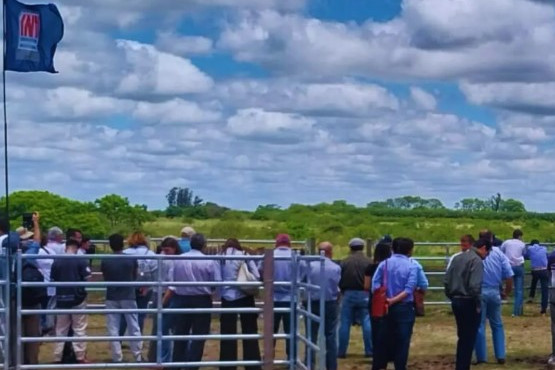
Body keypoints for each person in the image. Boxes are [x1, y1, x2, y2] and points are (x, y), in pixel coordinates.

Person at [163, 233, 221, 370]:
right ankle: (192, 365)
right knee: (199, 336)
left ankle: (176, 364)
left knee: (180, 333)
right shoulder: (209, 261)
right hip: (202, 300)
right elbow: (217, 282)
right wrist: (215, 295)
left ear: (190, 244)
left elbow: (173, 281)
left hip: (182, 298)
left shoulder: (178, 260)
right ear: (204, 245)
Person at [371, 237, 418, 370]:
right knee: (403, 340)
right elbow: (409, 289)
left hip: (384, 307)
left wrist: (386, 299)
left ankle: (379, 365)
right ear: (409, 250)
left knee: (382, 339)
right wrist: (394, 300)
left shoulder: (384, 264)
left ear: (393, 248)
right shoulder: (412, 266)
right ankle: (400, 366)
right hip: (404, 307)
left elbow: (375, 285)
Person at [445, 238, 489, 370]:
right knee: (469, 338)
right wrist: (478, 303)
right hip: (468, 301)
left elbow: (446, 280)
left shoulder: (457, 258)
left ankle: (461, 365)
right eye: (487, 253)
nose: (486, 256)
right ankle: (463, 366)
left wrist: (451, 296)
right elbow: (475, 286)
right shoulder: (476, 261)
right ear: (484, 248)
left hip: (456, 300)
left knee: (462, 336)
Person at [219, 238, 261, 370]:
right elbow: (256, 275)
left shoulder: (220, 257)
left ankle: (227, 365)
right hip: (245, 296)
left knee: (227, 333)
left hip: (227, 298)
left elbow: (217, 278)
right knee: (250, 331)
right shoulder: (244, 255)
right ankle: (252, 365)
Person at [101, 233, 143, 363]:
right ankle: (138, 355)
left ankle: (117, 356)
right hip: (128, 295)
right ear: (123, 244)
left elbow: (105, 276)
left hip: (112, 295)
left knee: (113, 326)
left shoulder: (105, 260)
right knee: (133, 325)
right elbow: (134, 276)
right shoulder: (131, 259)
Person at [474, 231, 513, 365]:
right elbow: (509, 275)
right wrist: (506, 292)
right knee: (497, 323)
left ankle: (481, 357)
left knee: (479, 325)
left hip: (479, 291)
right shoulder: (499, 253)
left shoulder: (475, 254)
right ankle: (500, 355)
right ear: (492, 239)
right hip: (495, 291)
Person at [51, 239, 92, 364]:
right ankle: (80, 356)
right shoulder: (80, 260)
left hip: (61, 298)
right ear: (76, 248)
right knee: (79, 327)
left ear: (66, 247)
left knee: (61, 329)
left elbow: (53, 279)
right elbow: (87, 278)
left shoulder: (57, 261)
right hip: (77, 298)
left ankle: (58, 356)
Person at [304, 241, 340, 370]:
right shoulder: (336, 267)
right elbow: (337, 286)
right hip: (330, 302)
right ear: (330, 252)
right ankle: (331, 366)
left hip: (313, 302)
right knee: (330, 336)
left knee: (311, 335)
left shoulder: (310, 266)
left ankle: (309, 364)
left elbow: (304, 282)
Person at [147, 236, 180, 364]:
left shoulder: (167, 260)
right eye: (164, 250)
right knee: (161, 328)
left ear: (174, 249)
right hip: (162, 293)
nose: (165, 253)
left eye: (168, 250)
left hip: (166, 293)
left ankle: (160, 358)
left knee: (163, 328)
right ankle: (160, 358)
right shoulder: (167, 259)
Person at [338, 237, 372, 358]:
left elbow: (339, 278)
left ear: (350, 247)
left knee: (344, 323)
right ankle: (369, 350)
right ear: (362, 247)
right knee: (367, 322)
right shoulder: (369, 261)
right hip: (365, 293)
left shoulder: (345, 261)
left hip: (348, 293)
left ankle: (341, 351)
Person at [120, 232, 157, 336]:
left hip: (127, 287)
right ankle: (137, 338)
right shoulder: (150, 254)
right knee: (140, 313)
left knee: (124, 314)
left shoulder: (125, 253)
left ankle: (118, 338)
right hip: (145, 286)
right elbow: (155, 273)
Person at [271, 233, 298, 359]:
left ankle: (269, 358)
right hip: (291, 298)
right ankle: (291, 358)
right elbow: (302, 275)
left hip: (273, 298)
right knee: (291, 331)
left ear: (277, 243)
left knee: (271, 331)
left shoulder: (270, 255)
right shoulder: (295, 256)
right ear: (289, 243)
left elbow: (261, 271)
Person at [364, 240, 393, 354]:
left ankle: (377, 352)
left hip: (375, 300)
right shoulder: (391, 266)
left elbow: (366, 286)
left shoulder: (370, 267)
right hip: (390, 299)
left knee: (375, 327)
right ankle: (390, 352)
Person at [501, 229, 526, 316]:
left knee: (499, 284)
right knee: (519, 290)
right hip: (519, 266)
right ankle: (516, 312)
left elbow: (501, 251)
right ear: (519, 236)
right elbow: (524, 254)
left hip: (508, 266)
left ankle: (497, 307)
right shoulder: (522, 244)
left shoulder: (506, 242)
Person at [525, 240, 549, 314]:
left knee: (534, 281)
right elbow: (546, 255)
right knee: (545, 290)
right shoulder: (544, 248)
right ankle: (544, 309)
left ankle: (531, 296)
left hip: (535, 270)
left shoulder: (530, 248)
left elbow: (525, 256)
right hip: (544, 270)